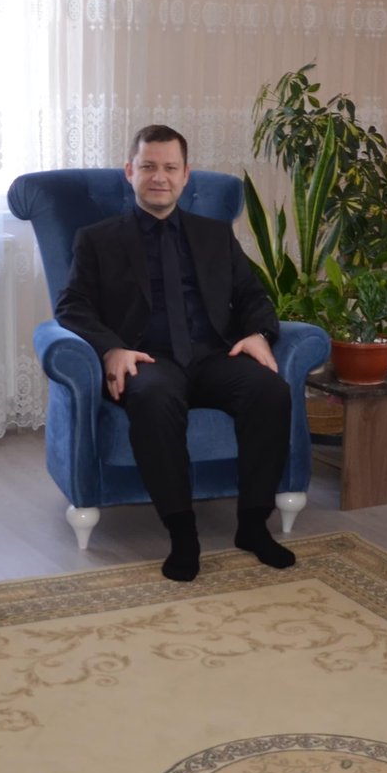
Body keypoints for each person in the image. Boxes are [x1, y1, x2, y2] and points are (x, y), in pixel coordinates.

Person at [53, 124, 296, 582]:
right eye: (148, 166)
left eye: (170, 167)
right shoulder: (98, 239)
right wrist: (111, 349)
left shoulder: (215, 234)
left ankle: (252, 526)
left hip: (212, 356)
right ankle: (182, 534)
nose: (159, 177)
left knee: (270, 391)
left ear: (186, 175)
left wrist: (258, 333)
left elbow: (252, 295)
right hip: (147, 358)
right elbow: (72, 305)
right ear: (130, 172)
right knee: (154, 397)